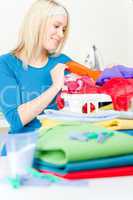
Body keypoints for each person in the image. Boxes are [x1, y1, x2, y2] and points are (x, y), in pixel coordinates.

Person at [0, 0, 73, 133]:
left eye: (63, 29)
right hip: (23, 147)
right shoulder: (5, 64)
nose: (61, 35)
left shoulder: (63, 62)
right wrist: (55, 87)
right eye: (56, 26)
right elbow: (16, 119)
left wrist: (109, 77)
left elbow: (93, 93)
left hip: (60, 145)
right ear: (38, 24)